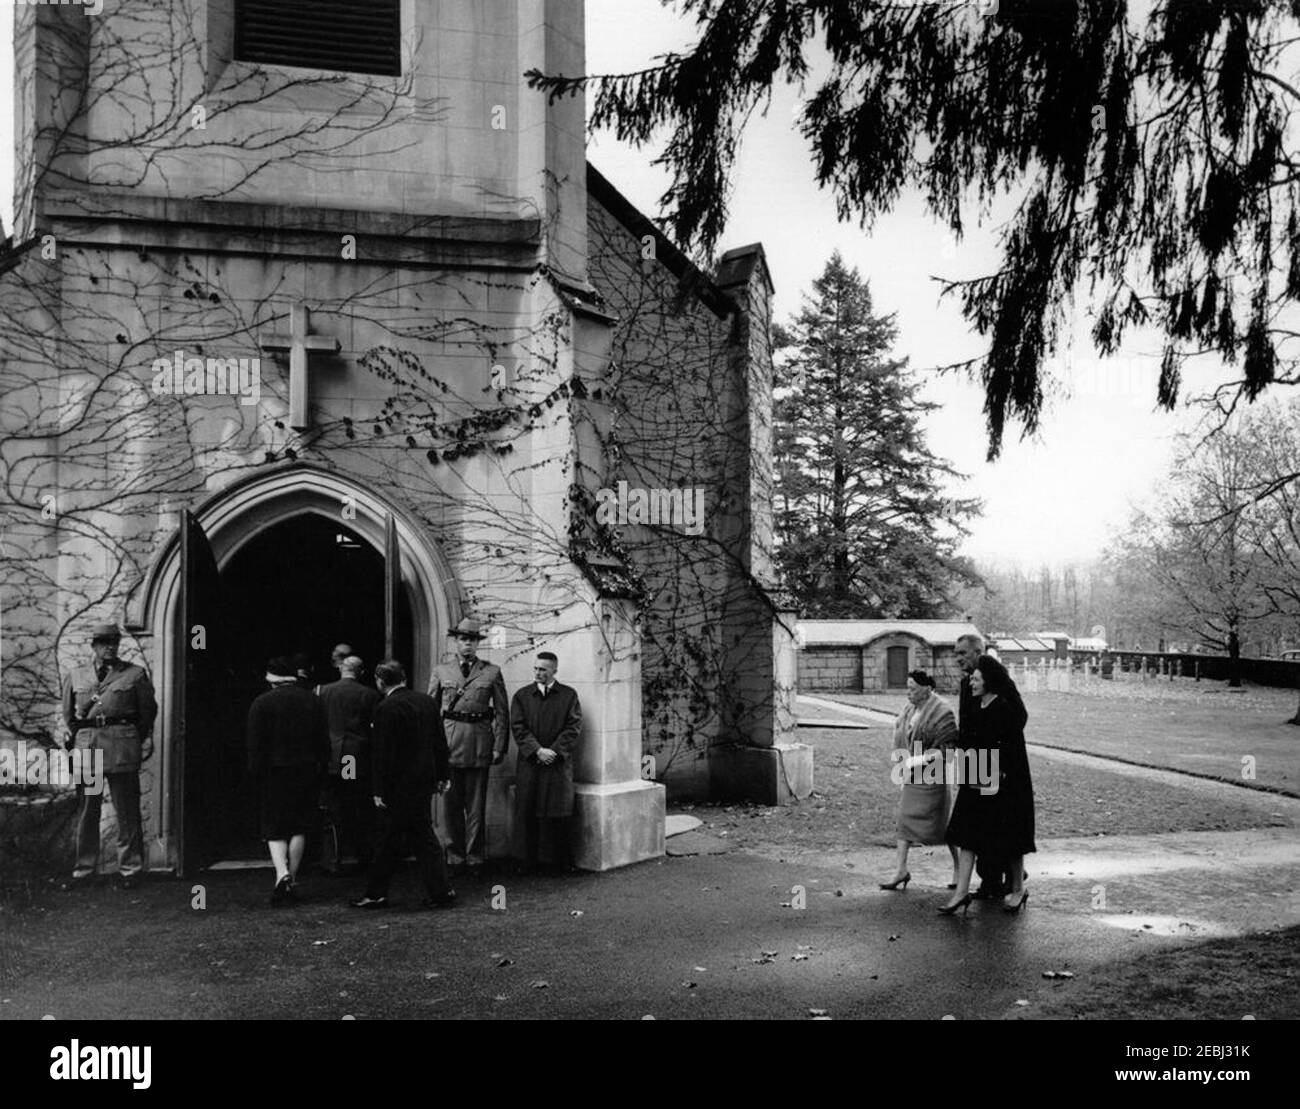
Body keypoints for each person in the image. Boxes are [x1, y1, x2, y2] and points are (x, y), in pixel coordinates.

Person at [350, 660, 457, 910]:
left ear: (380, 681)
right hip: (424, 781)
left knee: (391, 840)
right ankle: (441, 890)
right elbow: (439, 742)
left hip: (398, 786)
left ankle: (377, 894)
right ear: (404, 678)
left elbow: (382, 754)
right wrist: (443, 775)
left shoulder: (385, 708)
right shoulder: (427, 702)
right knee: (422, 837)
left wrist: (378, 790)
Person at [61, 623, 157, 888]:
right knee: (87, 810)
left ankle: (130, 869)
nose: (110, 646)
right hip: (89, 750)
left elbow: (147, 712)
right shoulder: (77, 675)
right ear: (93, 645)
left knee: (126, 809)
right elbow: (69, 716)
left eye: (114, 641)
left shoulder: (135, 674)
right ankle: (84, 870)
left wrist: (128, 735)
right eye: (103, 642)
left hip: (121, 749)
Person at [940, 654, 1036, 916]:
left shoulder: (1004, 708)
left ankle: (1018, 889)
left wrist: (999, 773)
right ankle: (961, 893)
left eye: (976, 679)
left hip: (1004, 783)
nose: (971, 683)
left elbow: (1011, 749)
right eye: (972, 678)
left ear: (989, 681)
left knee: (1011, 837)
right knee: (967, 834)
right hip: (978, 775)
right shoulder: (977, 705)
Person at [428, 617, 509, 877]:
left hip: (478, 743)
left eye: (472, 640)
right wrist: (432, 747)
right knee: (450, 806)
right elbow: (431, 712)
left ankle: (475, 858)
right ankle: (454, 856)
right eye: (464, 640)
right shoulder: (441, 671)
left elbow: (501, 712)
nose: (468, 645)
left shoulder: (492, 671)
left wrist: (499, 746)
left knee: (476, 807)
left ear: (477, 644)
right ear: (456, 641)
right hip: (450, 744)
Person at [246, 656, 329, 905]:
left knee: (274, 826)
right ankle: (291, 878)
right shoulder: (313, 701)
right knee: (300, 825)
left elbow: (254, 744)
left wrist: (254, 772)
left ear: (271, 680)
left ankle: (281, 873)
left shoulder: (261, 703)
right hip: (305, 771)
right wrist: (323, 771)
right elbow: (323, 741)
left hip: (273, 772)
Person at [953, 632, 1026, 899]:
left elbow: (1018, 717)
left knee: (995, 819)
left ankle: (1001, 876)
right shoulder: (965, 684)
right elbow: (966, 723)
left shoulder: (998, 681)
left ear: (977, 652)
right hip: (974, 759)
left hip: (995, 762)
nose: (957, 658)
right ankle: (991, 879)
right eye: (956, 653)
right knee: (976, 821)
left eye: (962, 653)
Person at [880, 670, 959, 892]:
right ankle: (901, 870)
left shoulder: (943, 712)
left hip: (933, 776)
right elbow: (902, 736)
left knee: (944, 828)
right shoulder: (909, 709)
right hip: (913, 775)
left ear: (926, 690)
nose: (908, 693)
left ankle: (959, 868)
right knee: (904, 820)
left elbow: (949, 749)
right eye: (907, 688)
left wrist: (918, 759)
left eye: (913, 688)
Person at [510, 651, 582, 874]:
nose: (538, 673)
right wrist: (537, 750)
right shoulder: (522, 696)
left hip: (557, 764)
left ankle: (559, 862)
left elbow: (573, 727)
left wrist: (554, 751)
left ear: (554, 670)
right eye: (536, 669)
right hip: (531, 763)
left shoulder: (568, 696)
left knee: (558, 811)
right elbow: (518, 727)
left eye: (543, 669)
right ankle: (527, 861)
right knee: (528, 810)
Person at [316, 655, 381, 873]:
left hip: (330, 754)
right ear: (361, 672)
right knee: (354, 805)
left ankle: (335, 857)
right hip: (351, 757)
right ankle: (356, 855)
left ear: (342, 670)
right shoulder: (369, 694)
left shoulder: (322, 691)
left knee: (334, 806)